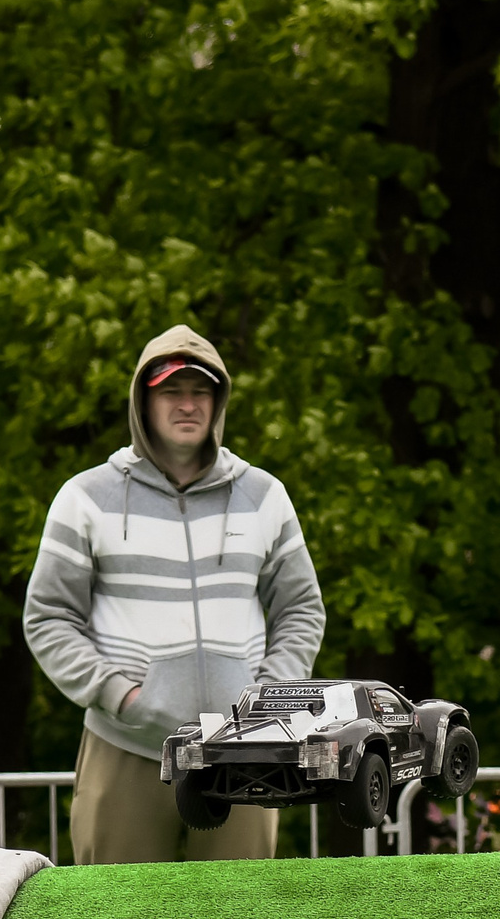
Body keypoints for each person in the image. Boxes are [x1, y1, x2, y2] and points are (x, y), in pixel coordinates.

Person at [24, 327, 326, 864]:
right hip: (127, 746)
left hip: (247, 752)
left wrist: (270, 697)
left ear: (218, 401)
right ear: (144, 400)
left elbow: (301, 609)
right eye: (170, 391)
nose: (187, 404)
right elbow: (48, 617)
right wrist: (122, 697)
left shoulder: (263, 496)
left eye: (200, 392)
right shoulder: (84, 497)